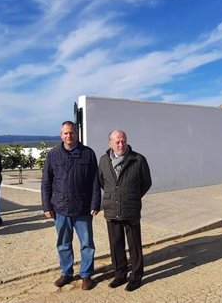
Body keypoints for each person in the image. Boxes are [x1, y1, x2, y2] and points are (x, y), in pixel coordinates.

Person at [41, 121, 100, 291]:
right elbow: (46, 182)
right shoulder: (53, 155)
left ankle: (86, 275)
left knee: (87, 244)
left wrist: (95, 203)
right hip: (61, 208)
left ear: (77, 134)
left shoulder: (88, 154)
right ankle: (66, 273)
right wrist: (46, 206)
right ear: (61, 135)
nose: (69, 136)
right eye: (65, 133)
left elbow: (95, 181)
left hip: (83, 209)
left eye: (71, 133)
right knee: (63, 243)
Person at [98, 130, 152, 292]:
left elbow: (146, 182)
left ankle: (136, 276)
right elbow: (102, 182)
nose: (121, 144)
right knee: (116, 244)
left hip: (131, 209)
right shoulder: (103, 161)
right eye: (117, 142)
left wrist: (132, 196)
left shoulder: (138, 159)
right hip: (111, 208)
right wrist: (114, 196)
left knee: (134, 245)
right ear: (110, 143)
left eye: (123, 141)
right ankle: (120, 274)